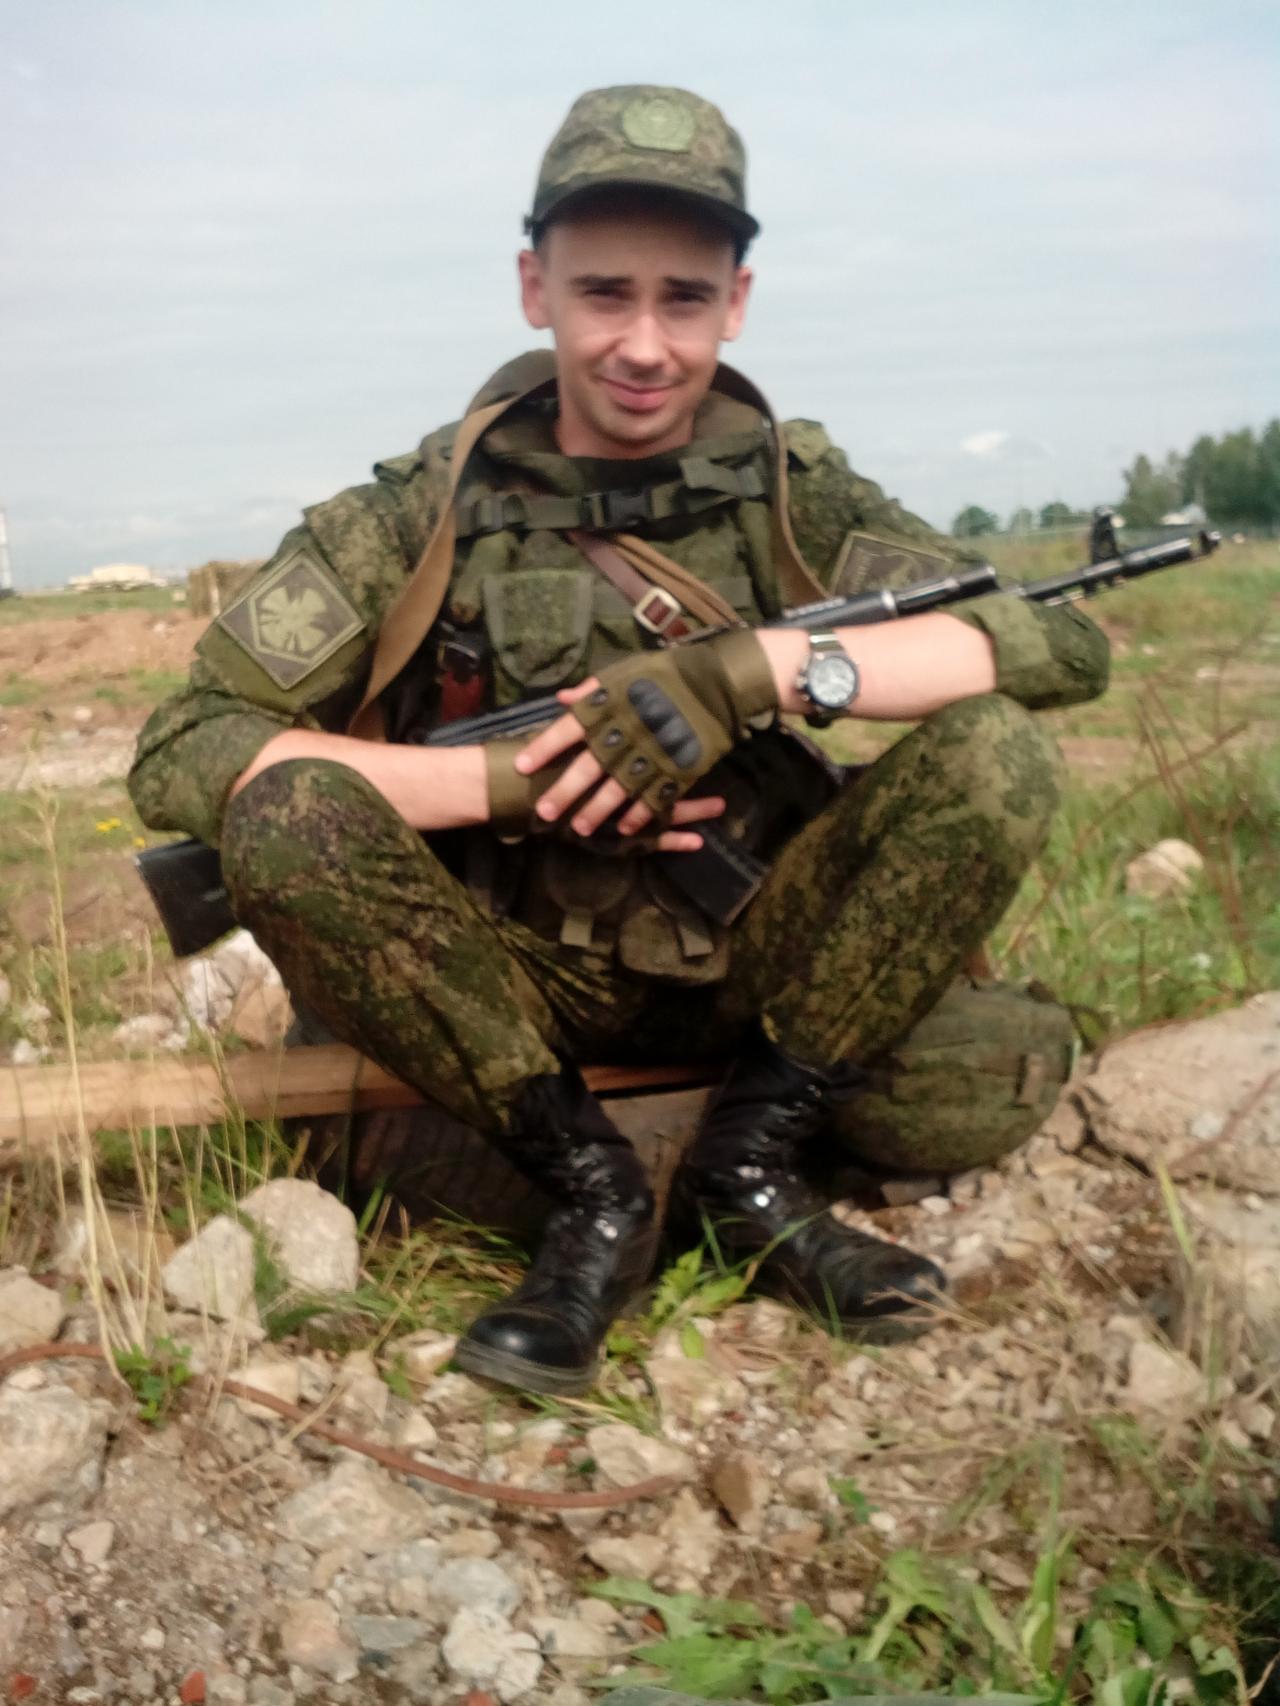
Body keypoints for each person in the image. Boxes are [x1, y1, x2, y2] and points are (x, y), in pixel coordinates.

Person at [129, 86, 1109, 1396]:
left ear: (736, 302)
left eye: (683, 300)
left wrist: (763, 669)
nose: (644, 345)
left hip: (753, 944)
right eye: (603, 294)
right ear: (534, 286)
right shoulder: (423, 511)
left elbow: (1056, 645)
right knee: (286, 817)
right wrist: (497, 782)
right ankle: (595, 1194)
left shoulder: (786, 492)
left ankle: (747, 1170)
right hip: (506, 973)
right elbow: (186, 744)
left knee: (998, 754)